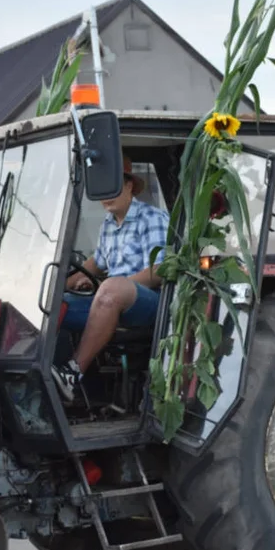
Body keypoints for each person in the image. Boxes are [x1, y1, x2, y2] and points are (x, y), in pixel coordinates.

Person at [52, 156, 169, 403]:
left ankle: (73, 372)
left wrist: (115, 286)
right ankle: (77, 393)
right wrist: (59, 284)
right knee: (54, 305)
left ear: (129, 185)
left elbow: (161, 270)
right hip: (112, 299)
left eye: (113, 186)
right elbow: (95, 263)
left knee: (112, 288)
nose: (107, 194)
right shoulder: (108, 224)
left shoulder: (151, 218)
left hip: (149, 303)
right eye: (103, 188)